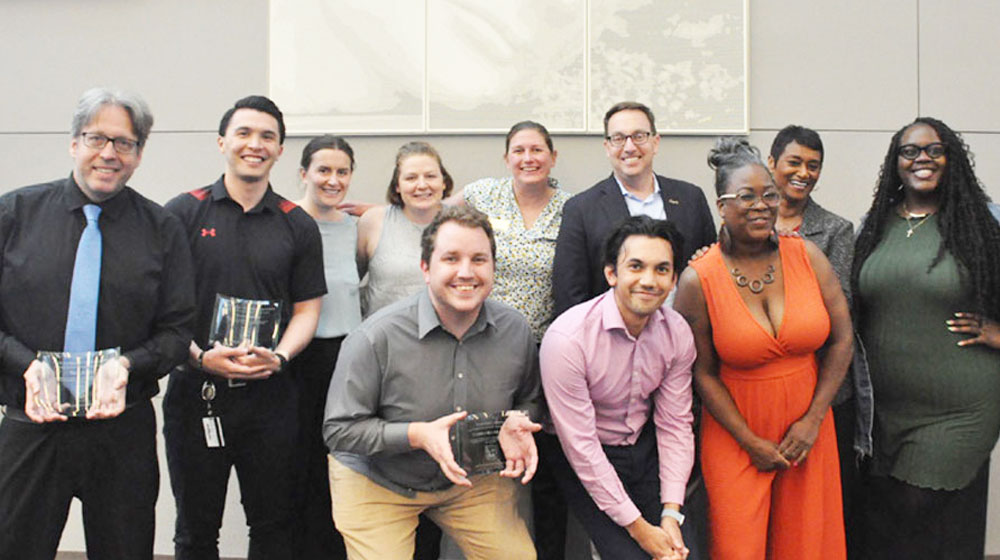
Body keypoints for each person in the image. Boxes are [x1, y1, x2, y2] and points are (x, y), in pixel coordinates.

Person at [0, 87, 196, 559]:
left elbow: (177, 331)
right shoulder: (13, 214)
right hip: (32, 422)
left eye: (124, 143)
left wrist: (128, 365)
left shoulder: (162, 229)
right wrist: (26, 364)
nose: (109, 153)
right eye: (96, 139)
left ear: (139, 154)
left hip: (121, 429)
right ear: (74, 143)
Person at [323, 205, 542, 560]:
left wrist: (518, 420)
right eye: (451, 259)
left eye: (479, 259)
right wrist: (416, 435)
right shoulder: (375, 337)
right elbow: (339, 431)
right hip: (378, 480)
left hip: (472, 482)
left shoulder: (515, 330)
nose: (466, 272)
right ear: (425, 268)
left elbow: (530, 399)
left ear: (494, 268)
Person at [163, 95, 326, 560]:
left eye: (267, 137)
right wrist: (198, 356)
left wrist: (280, 356)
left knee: (274, 526)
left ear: (279, 150)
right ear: (222, 143)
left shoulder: (298, 224)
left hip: (272, 398)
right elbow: (163, 310)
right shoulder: (182, 213)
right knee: (195, 530)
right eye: (244, 133)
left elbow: (307, 310)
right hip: (197, 395)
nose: (255, 144)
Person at [674, 137, 852, 560]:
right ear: (721, 206)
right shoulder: (698, 278)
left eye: (768, 194)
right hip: (736, 434)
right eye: (746, 196)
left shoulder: (807, 255)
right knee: (738, 547)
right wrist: (749, 441)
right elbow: (701, 373)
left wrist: (812, 420)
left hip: (807, 429)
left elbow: (843, 338)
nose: (761, 205)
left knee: (807, 544)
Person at [852, 117, 1000, 560]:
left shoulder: (983, 224)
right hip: (884, 411)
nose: (922, 159)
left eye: (934, 150)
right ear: (895, 163)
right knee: (891, 522)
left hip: (960, 408)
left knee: (918, 507)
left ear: (950, 159)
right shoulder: (875, 225)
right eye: (910, 151)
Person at [541, 215, 695, 560]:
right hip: (580, 452)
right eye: (636, 266)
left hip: (642, 445)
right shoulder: (568, 340)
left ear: (673, 280)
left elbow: (674, 425)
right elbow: (581, 447)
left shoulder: (677, 332)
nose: (648, 280)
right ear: (612, 273)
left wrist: (671, 515)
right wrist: (641, 530)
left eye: (661, 270)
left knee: (685, 554)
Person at [767, 125, 868, 557]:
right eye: (795, 162)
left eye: (814, 165)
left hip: (822, 393)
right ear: (772, 163)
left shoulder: (834, 230)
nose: (803, 173)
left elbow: (838, 314)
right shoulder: (744, 219)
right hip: (759, 386)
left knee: (816, 516)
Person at [552, 100, 716, 316]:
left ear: (655, 142)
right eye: (619, 138)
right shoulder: (581, 209)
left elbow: (711, 272)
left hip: (682, 335)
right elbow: (569, 293)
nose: (629, 147)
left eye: (639, 136)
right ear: (607, 147)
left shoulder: (690, 198)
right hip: (610, 339)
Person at [291, 135, 361, 558]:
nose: (333, 180)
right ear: (304, 174)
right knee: (300, 468)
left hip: (347, 361)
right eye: (323, 170)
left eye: (342, 171)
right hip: (299, 361)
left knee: (344, 468)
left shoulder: (356, 228)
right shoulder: (284, 222)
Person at [454, 120, 571, 342]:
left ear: (553, 157)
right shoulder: (485, 193)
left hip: (544, 342)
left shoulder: (572, 209)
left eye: (537, 150)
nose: (528, 158)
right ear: (507, 159)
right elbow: (430, 210)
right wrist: (371, 211)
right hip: (484, 337)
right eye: (519, 151)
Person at [358, 141, 453, 317]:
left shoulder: (461, 224)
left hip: (444, 338)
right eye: (411, 178)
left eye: (430, 176)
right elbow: (349, 282)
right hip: (383, 338)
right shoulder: (373, 222)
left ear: (444, 182)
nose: (422, 185)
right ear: (397, 186)